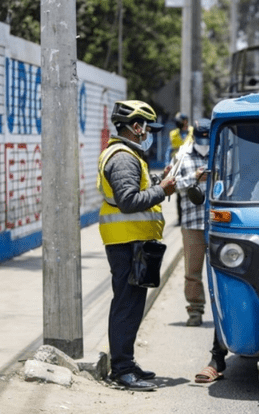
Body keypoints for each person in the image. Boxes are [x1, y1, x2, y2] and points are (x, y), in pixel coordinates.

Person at [97, 100, 177, 391]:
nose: (149, 133)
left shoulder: (129, 156)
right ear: (136, 127)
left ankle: (127, 363)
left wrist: (158, 181)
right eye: (147, 128)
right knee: (126, 305)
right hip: (126, 242)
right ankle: (121, 370)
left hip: (135, 241)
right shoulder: (122, 157)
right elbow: (129, 201)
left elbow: (134, 190)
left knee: (132, 305)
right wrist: (162, 190)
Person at [176, 118, 211, 327]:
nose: (204, 143)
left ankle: (225, 313)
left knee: (224, 270)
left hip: (218, 223)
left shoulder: (221, 153)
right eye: (200, 139)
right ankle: (195, 312)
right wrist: (194, 178)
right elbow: (172, 184)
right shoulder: (182, 156)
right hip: (192, 222)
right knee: (192, 272)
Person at [170, 113, 194, 226]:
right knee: (179, 193)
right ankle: (180, 219)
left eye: (180, 120)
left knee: (191, 191)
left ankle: (191, 217)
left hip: (191, 164)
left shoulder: (193, 131)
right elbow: (170, 150)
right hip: (177, 165)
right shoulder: (173, 134)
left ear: (185, 121)